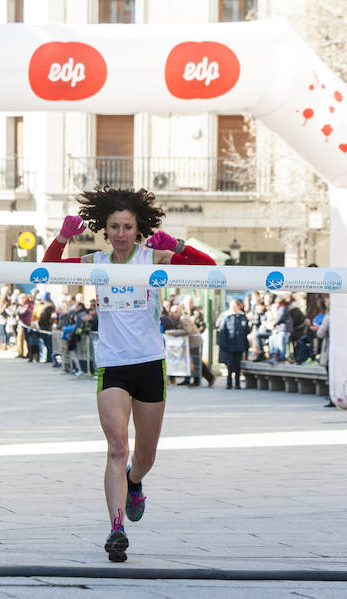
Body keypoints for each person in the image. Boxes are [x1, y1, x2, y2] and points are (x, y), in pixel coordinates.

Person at [42, 186, 214, 562]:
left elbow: (210, 271)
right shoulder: (96, 261)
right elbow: (47, 270)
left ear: (139, 229)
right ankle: (116, 529)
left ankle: (135, 482)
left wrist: (181, 246)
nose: (120, 233)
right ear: (105, 229)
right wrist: (62, 238)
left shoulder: (155, 258)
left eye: (127, 226)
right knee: (117, 446)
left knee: (144, 456)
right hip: (112, 366)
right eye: (114, 226)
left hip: (150, 363)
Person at [217, 298, 250, 389]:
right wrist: (223, 345)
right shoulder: (226, 317)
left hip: (239, 345)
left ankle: (237, 383)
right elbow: (222, 332)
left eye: (235, 306)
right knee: (230, 365)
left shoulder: (242, 317)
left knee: (238, 365)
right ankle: (229, 383)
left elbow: (247, 330)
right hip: (229, 346)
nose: (233, 308)